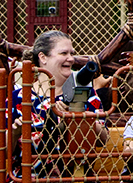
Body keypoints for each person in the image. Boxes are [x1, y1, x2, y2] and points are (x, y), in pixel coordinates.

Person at [9, 30, 109, 174]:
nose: (71, 59)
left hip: (75, 179)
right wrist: (14, 133)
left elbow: (102, 140)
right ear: (43, 58)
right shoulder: (18, 98)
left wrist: (80, 118)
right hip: (28, 181)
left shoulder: (87, 94)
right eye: (63, 54)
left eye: (71, 54)